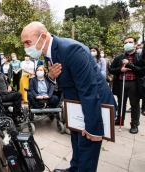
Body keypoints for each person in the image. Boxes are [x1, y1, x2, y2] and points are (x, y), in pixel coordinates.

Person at [21, 21, 117, 172]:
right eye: (23, 44)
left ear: (43, 37)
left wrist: (94, 128)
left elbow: (89, 90)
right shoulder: (48, 52)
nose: (26, 48)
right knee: (76, 142)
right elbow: (61, 78)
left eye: (28, 42)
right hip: (76, 106)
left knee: (87, 148)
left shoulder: (71, 50)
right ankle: (74, 169)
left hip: (94, 106)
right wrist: (51, 77)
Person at [109, 37, 144, 134]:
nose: (128, 44)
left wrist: (130, 65)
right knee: (121, 103)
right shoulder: (119, 57)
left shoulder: (140, 57)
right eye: (125, 42)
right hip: (121, 82)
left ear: (135, 44)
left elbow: (142, 71)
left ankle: (134, 124)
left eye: (130, 42)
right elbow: (111, 69)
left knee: (134, 104)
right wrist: (121, 70)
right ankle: (120, 120)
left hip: (134, 84)